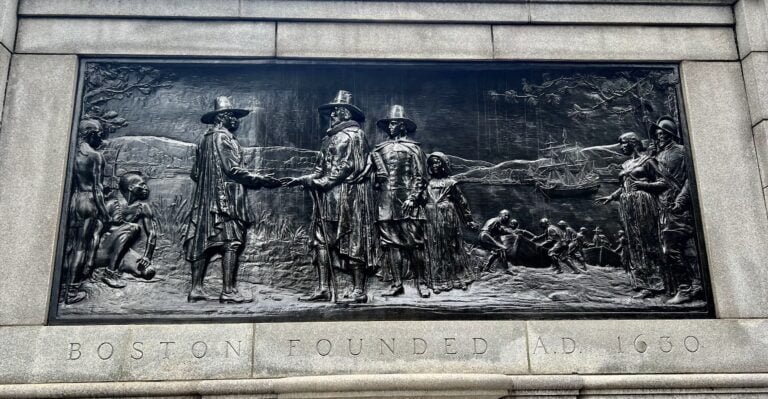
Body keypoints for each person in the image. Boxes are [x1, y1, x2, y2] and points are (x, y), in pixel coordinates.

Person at [183, 96, 281, 304]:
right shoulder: (224, 138)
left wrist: (209, 183)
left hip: (205, 201)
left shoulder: (204, 139)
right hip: (226, 199)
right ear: (222, 117)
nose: (236, 120)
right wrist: (260, 179)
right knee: (232, 243)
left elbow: (195, 173)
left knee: (203, 242)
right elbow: (233, 169)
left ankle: (196, 289)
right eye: (233, 116)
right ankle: (228, 291)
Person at [283, 90, 372, 303]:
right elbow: (320, 168)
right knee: (321, 241)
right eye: (332, 111)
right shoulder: (328, 139)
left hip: (347, 197)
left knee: (352, 240)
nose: (332, 114)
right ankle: (323, 287)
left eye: (336, 111)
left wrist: (323, 182)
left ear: (346, 113)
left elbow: (349, 166)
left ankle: (359, 290)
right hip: (326, 198)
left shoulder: (355, 136)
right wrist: (305, 179)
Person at [358, 104, 429, 298]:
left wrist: (413, 198)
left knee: (415, 244)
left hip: (408, 203)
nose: (391, 127)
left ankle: (421, 282)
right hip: (386, 204)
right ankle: (397, 283)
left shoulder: (413, 149)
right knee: (391, 245)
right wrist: (374, 177)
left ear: (403, 126)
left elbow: (421, 177)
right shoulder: (380, 149)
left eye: (395, 123)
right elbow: (371, 176)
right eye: (389, 124)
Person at [596, 132, 665, 299]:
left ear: (634, 143)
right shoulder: (626, 164)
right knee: (634, 243)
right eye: (620, 143)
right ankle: (641, 282)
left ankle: (656, 284)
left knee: (647, 241)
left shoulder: (648, 160)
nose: (621, 146)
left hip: (644, 203)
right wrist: (612, 196)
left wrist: (642, 185)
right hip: (627, 205)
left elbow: (663, 182)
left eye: (624, 143)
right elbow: (624, 185)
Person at [650, 116, 701, 304]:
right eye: (658, 133)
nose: (659, 136)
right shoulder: (658, 155)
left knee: (672, 249)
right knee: (678, 248)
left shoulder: (681, 152)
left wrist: (680, 200)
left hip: (679, 208)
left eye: (663, 133)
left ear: (671, 134)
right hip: (664, 206)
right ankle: (694, 285)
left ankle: (685, 289)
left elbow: (690, 179)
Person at [64, 119, 115, 304]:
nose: (101, 138)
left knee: (70, 244)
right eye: (99, 134)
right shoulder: (95, 156)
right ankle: (71, 291)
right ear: (91, 133)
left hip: (75, 200)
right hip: (89, 202)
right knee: (81, 247)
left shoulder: (71, 153)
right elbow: (98, 189)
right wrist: (105, 213)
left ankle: (63, 286)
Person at [423, 152, 479, 294]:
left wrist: (469, 220)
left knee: (452, 247)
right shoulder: (426, 183)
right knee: (435, 249)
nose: (434, 165)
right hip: (430, 219)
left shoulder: (451, 183)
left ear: (443, 164)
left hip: (448, 217)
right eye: (432, 163)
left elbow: (462, 202)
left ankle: (459, 279)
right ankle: (438, 281)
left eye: (437, 162)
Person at [95, 172, 158, 286]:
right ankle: (109, 273)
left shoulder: (143, 207)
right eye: (142, 185)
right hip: (102, 249)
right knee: (133, 228)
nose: (146, 188)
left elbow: (152, 233)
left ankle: (120, 265)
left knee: (149, 271)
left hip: (122, 252)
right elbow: (96, 230)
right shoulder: (111, 205)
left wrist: (147, 256)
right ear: (131, 187)